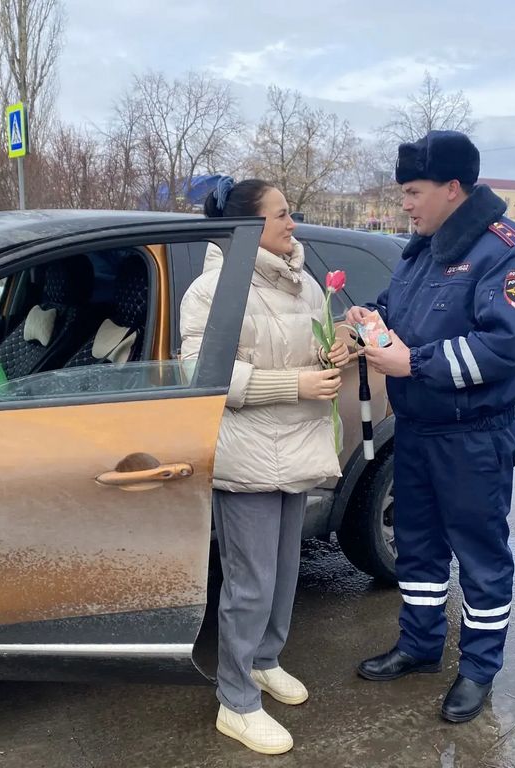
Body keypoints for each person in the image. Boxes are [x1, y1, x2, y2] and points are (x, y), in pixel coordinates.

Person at [345, 130, 515, 723]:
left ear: (452, 188)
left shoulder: (507, 252)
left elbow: (504, 348)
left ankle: (479, 669)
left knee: (481, 558)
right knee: (417, 547)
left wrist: (413, 363)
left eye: (413, 192)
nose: (404, 204)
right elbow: (398, 308)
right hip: (416, 431)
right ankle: (419, 645)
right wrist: (369, 319)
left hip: (473, 436)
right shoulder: (424, 247)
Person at [180, 176, 350, 755]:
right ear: (251, 226)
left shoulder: (302, 285)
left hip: (296, 446)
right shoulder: (212, 291)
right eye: (282, 215)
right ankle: (235, 700)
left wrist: (333, 351)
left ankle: (264, 661)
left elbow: (304, 348)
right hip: (248, 453)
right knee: (249, 585)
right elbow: (203, 376)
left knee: (282, 575)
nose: (292, 223)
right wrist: (294, 383)